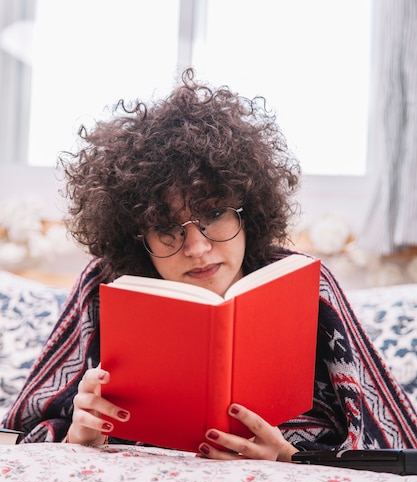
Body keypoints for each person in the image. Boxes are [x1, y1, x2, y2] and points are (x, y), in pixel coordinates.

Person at [4, 69, 417, 460]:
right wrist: (79, 434)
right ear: (136, 236)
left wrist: (292, 459)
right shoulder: (104, 285)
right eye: (167, 227)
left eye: (215, 213)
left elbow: (390, 445)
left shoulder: (306, 284)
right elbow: (24, 437)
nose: (198, 248)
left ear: (248, 212)